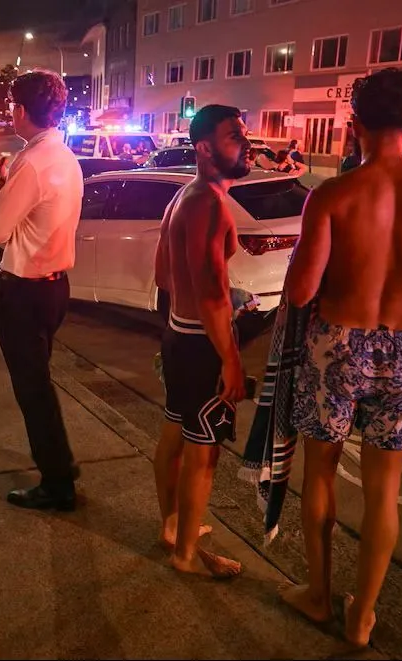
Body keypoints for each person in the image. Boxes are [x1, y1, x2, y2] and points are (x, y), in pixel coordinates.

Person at [280, 68, 402, 647]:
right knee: (384, 487)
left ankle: (317, 594)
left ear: (354, 122)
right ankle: (363, 615)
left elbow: (299, 290)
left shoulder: (333, 195)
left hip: (339, 338)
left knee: (320, 470)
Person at [0, 69, 83, 511]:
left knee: (33, 389)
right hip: (54, 288)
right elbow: (32, 218)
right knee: (39, 382)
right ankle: (60, 466)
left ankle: (57, 480)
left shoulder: (29, 161)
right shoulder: (64, 156)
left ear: (19, 109)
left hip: (26, 291)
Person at [153, 104, 251, 580]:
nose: (246, 143)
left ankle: (173, 527)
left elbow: (162, 274)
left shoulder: (183, 197)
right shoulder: (209, 203)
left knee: (174, 433)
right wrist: (230, 359)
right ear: (205, 148)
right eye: (235, 136)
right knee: (202, 452)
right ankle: (186, 554)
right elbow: (212, 290)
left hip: (178, 332)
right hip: (200, 342)